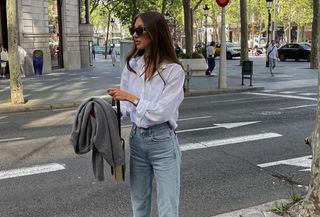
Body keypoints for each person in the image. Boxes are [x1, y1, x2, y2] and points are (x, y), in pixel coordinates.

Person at [107, 11, 184, 217]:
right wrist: (105, 113)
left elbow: (161, 112)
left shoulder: (174, 71)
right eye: (134, 30)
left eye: (140, 30)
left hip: (163, 143)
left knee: (168, 209)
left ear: (156, 32)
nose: (135, 34)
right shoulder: (132, 66)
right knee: (139, 205)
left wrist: (131, 98)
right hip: (137, 140)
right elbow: (125, 109)